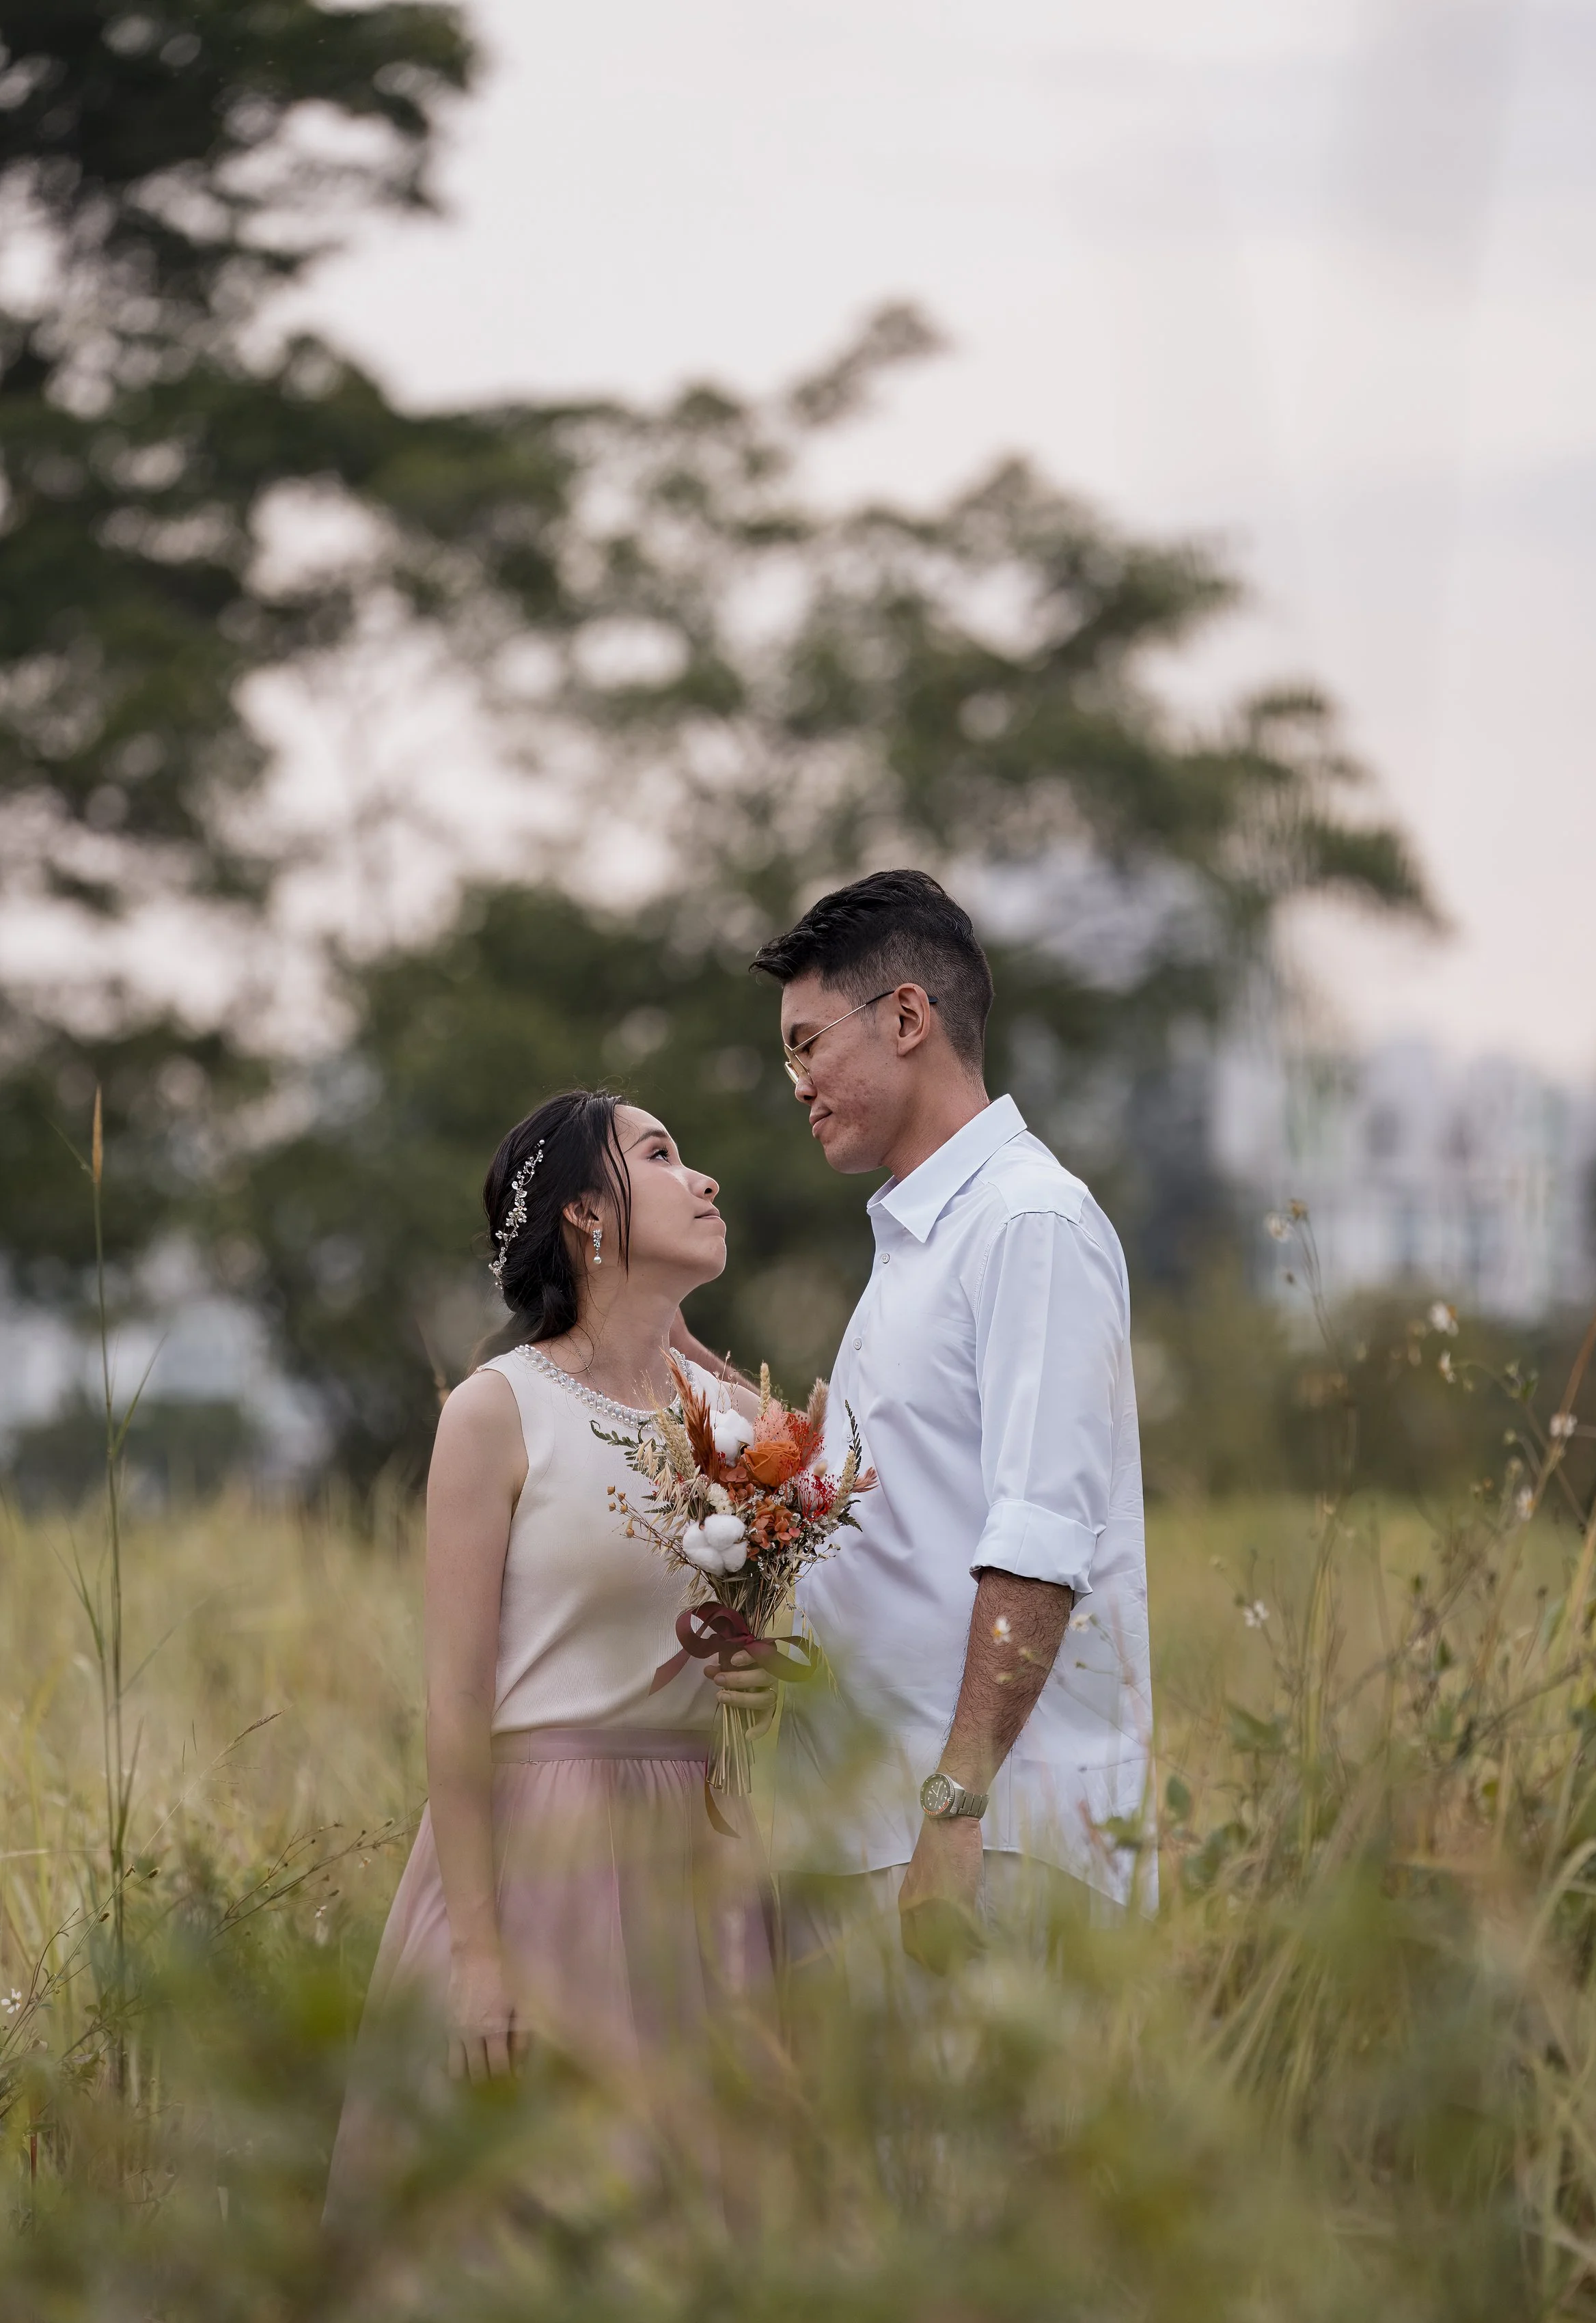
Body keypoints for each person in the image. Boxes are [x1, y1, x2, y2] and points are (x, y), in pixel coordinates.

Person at [327, 1090, 770, 2210]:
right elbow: (455, 1703)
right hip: (543, 1855)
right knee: (535, 2217)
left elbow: (806, 1613)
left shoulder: (738, 1425)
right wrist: (480, 1956)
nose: (704, 1178)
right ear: (586, 1210)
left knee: (704, 2222)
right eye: (663, 1156)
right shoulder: (496, 1411)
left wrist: (772, 1675)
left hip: (705, 1852)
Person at [705, 870, 1153, 1970]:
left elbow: (1040, 1541)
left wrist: (953, 1808)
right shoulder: (915, 1246)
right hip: (874, 1828)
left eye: (808, 1043)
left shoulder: (1027, 1222)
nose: (797, 1082)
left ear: (907, 1017)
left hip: (989, 1840)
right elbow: (903, 1540)